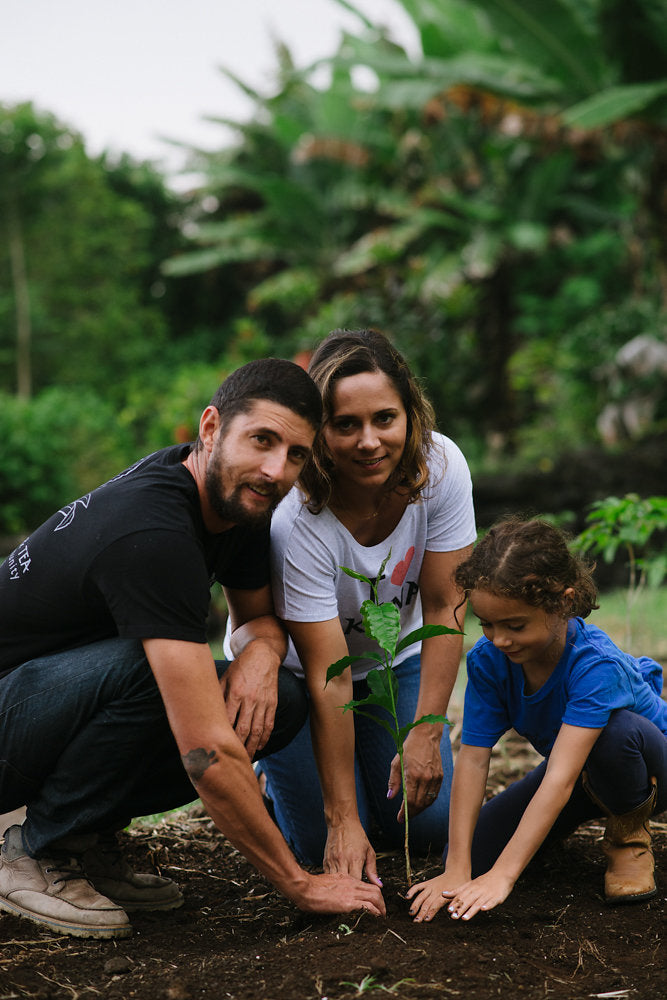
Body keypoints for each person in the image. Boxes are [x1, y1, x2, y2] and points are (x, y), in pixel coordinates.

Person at [0, 358, 385, 940]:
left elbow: (256, 617)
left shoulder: (237, 502)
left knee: (281, 696)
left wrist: (260, 652)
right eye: (262, 439)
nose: (276, 469)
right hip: (10, 710)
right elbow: (204, 748)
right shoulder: (153, 533)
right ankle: (33, 851)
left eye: (297, 454)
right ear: (211, 428)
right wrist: (298, 885)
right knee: (152, 669)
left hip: (46, 705)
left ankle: (84, 838)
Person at [243, 329, 476, 884]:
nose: (368, 441)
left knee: (424, 828)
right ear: (319, 430)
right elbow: (330, 673)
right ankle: (274, 773)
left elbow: (446, 605)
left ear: (409, 414)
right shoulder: (296, 520)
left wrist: (426, 729)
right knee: (330, 839)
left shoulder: (440, 466)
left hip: (397, 659)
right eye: (345, 424)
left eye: (384, 419)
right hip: (306, 681)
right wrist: (341, 819)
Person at [407, 517, 667, 923]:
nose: (499, 639)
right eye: (487, 624)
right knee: (470, 856)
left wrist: (504, 877)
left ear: (563, 602)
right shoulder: (489, 661)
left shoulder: (595, 665)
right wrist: (458, 867)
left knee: (616, 734)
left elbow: (559, 777)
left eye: (515, 625)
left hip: (650, 773)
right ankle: (544, 835)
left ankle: (628, 839)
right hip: (581, 775)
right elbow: (474, 760)